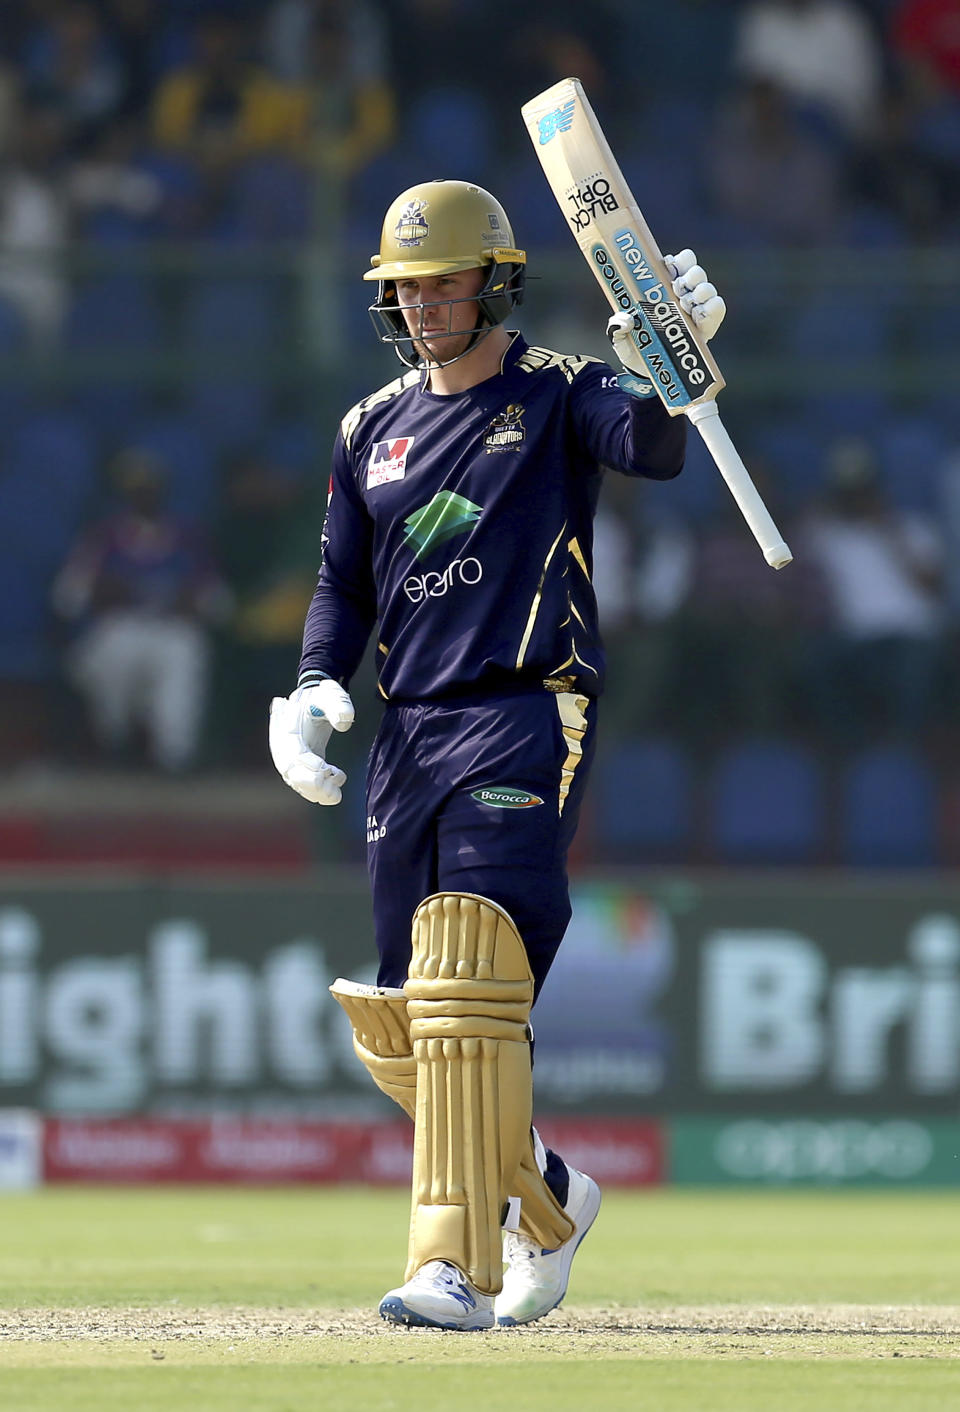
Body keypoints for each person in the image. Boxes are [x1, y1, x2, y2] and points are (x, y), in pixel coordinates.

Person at [269, 179, 726, 1329]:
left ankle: (451, 1268)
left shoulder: (566, 392)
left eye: (444, 280)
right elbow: (342, 580)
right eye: (405, 287)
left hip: (526, 709)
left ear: (496, 279)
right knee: (401, 1020)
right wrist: (314, 682)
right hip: (406, 731)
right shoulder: (369, 426)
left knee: (467, 976)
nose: (424, 304)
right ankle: (551, 1199)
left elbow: (655, 447)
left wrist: (672, 358)